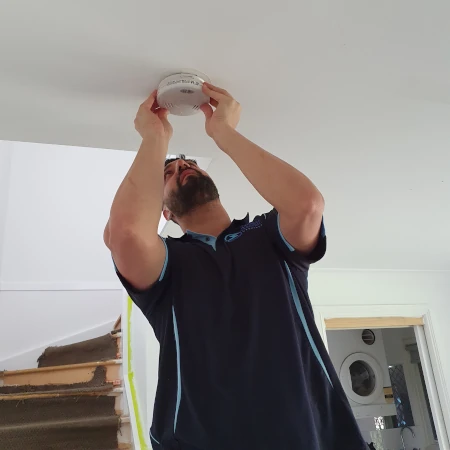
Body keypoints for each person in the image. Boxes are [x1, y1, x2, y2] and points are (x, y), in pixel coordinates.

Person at [104, 83, 368, 450]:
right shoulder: (167, 264)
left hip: (313, 435)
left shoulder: (269, 236)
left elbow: (307, 204)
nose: (182, 166)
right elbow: (127, 235)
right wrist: (155, 137)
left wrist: (224, 133)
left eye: (190, 164)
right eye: (169, 173)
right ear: (164, 212)